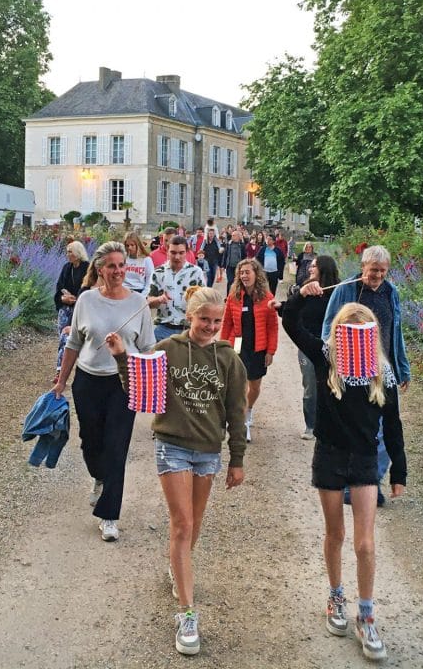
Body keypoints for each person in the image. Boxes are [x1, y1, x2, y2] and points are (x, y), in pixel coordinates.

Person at [105, 286, 247, 656]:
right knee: (182, 523)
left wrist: (237, 459)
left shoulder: (229, 359)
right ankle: (187, 613)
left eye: (217, 322)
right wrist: (122, 357)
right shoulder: (168, 350)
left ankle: (177, 564)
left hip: (208, 452)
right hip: (172, 446)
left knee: (193, 525)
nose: (210, 327)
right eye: (204, 320)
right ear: (189, 315)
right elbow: (138, 387)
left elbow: (237, 411)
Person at [280, 296, 407, 662]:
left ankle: (366, 614)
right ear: (338, 334)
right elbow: (291, 321)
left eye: (361, 331)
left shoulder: (382, 372)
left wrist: (398, 470)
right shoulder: (325, 358)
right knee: (335, 533)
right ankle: (336, 596)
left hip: (365, 459)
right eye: (347, 331)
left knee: (365, 544)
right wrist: (305, 292)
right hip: (330, 456)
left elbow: (393, 425)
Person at [51, 241, 156, 542]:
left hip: (124, 383)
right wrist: (61, 380)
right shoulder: (86, 300)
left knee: (116, 446)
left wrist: (153, 382)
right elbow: (73, 344)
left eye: (122, 265)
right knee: (90, 442)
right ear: (99, 269)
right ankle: (99, 477)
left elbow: (148, 347)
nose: (118, 271)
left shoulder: (138, 303)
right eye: (112, 266)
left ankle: (109, 514)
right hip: (88, 380)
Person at [303, 244, 411, 507]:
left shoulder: (390, 292)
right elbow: (330, 325)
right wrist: (330, 361)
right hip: (350, 367)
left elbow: (396, 332)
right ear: (363, 267)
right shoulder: (346, 290)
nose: (378, 276)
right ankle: (353, 479)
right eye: (374, 270)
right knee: (357, 428)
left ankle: (371, 480)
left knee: (386, 429)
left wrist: (402, 367)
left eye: (383, 271)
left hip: (380, 368)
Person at [281, 255, 340, 439]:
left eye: (314, 266)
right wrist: (281, 307)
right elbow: (293, 311)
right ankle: (310, 425)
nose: (309, 269)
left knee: (331, 384)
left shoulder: (336, 292)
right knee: (310, 386)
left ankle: (329, 422)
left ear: (324, 269)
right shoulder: (305, 289)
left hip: (330, 346)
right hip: (307, 345)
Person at [220, 258, 278, 442]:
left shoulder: (267, 298)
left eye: (247, 272)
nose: (244, 276)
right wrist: (223, 347)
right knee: (239, 385)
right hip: (238, 345)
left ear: (256, 274)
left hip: (258, 347)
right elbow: (227, 323)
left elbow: (272, 326)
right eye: (241, 273)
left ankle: (249, 409)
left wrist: (271, 351)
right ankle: (242, 422)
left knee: (254, 386)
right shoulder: (234, 296)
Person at [148, 236, 206, 341]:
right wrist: (158, 299)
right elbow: (148, 302)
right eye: (173, 253)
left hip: (188, 328)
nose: (177, 257)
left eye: (181, 253)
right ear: (167, 251)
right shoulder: (158, 272)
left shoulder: (196, 273)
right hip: (163, 327)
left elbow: (206, 301)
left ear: (187, 252)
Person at [53, 240, 90, 373]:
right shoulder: (66, 268)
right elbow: (60, 287)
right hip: (66, 306)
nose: (68, 254)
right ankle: (60, 368)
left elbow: (88, 288)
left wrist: (77, 299)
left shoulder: (87, 267)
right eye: (67, 251)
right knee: (63, 336)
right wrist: (63, 298)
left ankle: (82, 365)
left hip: (81, 307)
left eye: (70, 251)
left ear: (77, 252)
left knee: (79, 337)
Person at [255, 232, 286, 298]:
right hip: (264, 272)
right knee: (262, 288)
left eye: (269, 239)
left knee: (272, 290)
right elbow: (257, 259)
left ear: (273, 241)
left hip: (274, 273)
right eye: (267, 239)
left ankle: (271, 301)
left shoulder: (278, 250)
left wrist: (280, 274)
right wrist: (259, 269)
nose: (267, 241)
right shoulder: (263, 249)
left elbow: (282, 262)